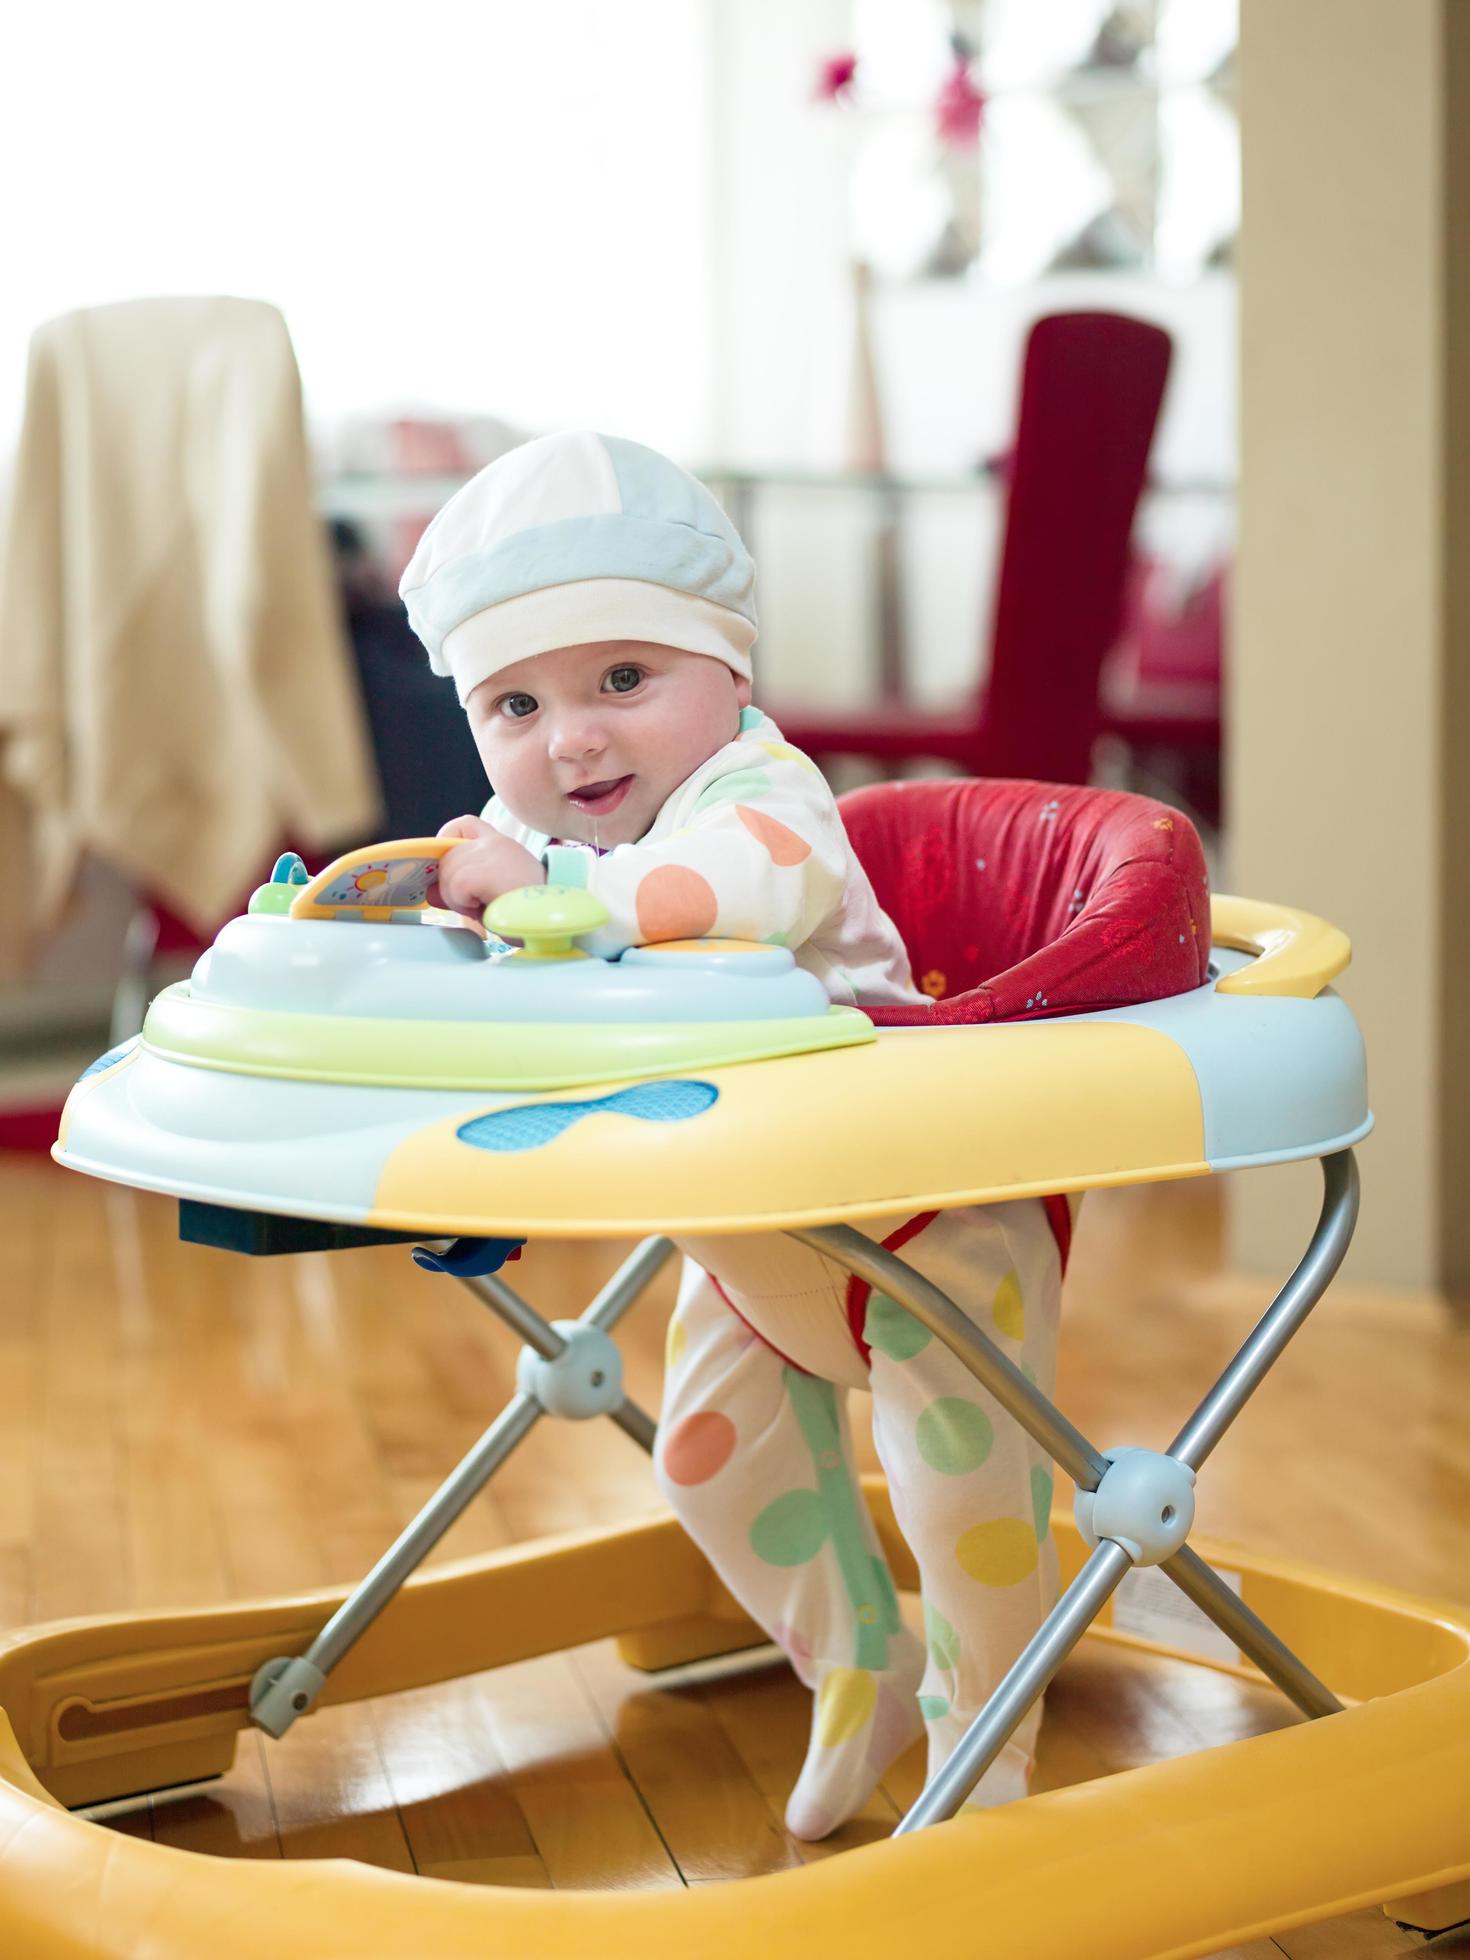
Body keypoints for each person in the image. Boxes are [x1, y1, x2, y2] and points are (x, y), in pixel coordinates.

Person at [400, 431, 1068, 1839]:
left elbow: (730, 894)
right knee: (705, 1455)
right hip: (752, 1227)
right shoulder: (568, 864)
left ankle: (988, 1727)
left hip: (931, 1212)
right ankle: (853, 1670)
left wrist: (551, 893)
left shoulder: (760, 801)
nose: (570, 736)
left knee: (963, 1502)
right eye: (512, 705)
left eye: (622, 680)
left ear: (734, 676)